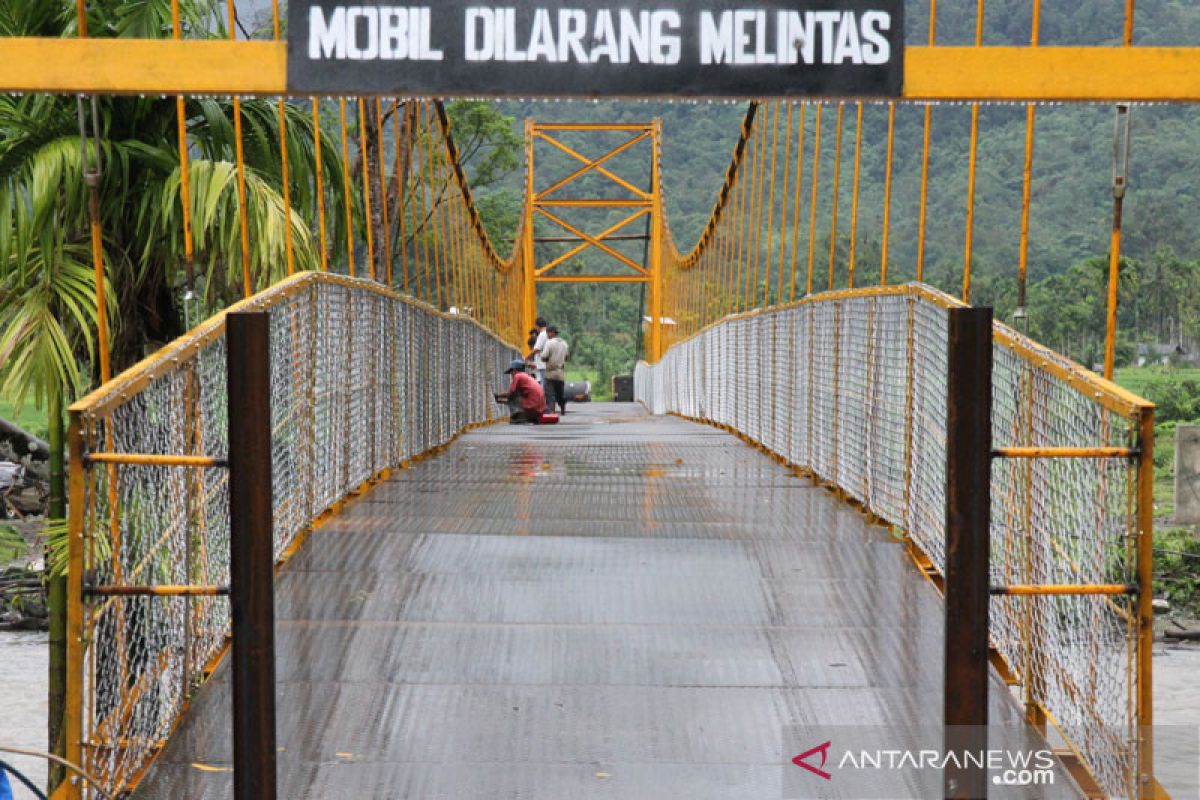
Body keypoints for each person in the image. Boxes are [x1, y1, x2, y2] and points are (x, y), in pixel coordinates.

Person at [497, 359, 545, 424]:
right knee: (517, 395)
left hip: (532, 407)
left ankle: (520, 417)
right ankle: (531, 418)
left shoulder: (518, 376)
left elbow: (511, 394)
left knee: (514, 395)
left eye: (511, 373)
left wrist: (497, 396)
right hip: (540, 410)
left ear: (514, 370)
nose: (511, 376)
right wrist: (500, 401)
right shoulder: (528, 377)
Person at [541, 326, 570, 415]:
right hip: (560, 373)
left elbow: (544, 356)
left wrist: (546, 360)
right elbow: (567, 357)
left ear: (552, 332)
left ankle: (552, 413)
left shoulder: (549, 343)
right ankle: (562, 410)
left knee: (550, 394)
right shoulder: (565, 344)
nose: (547, 335)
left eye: (548, 333)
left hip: (550, 373)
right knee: (560, 393)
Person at [529, 317, 549, 389]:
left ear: (537, 326)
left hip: (543, 365)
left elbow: (537, 348)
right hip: (547, 364)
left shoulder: (542, 334)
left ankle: (545, 400)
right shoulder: (548, 333)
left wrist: (527, 356)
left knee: (544, 386)